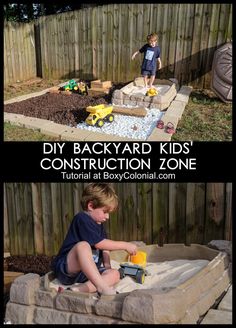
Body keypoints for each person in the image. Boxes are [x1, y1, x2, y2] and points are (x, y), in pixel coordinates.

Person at [52, 183, 137, 296]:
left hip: (86, 274)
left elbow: (105, 249)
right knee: (83, 246)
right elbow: (100, 244)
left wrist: (107, 266)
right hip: (67, 269)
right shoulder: (81, 219)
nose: (107, 217)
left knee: (115, 274)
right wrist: (125, 245)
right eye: (105, 212)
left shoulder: (99, 224)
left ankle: (77, 290)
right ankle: (101, 287)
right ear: (91, 206)